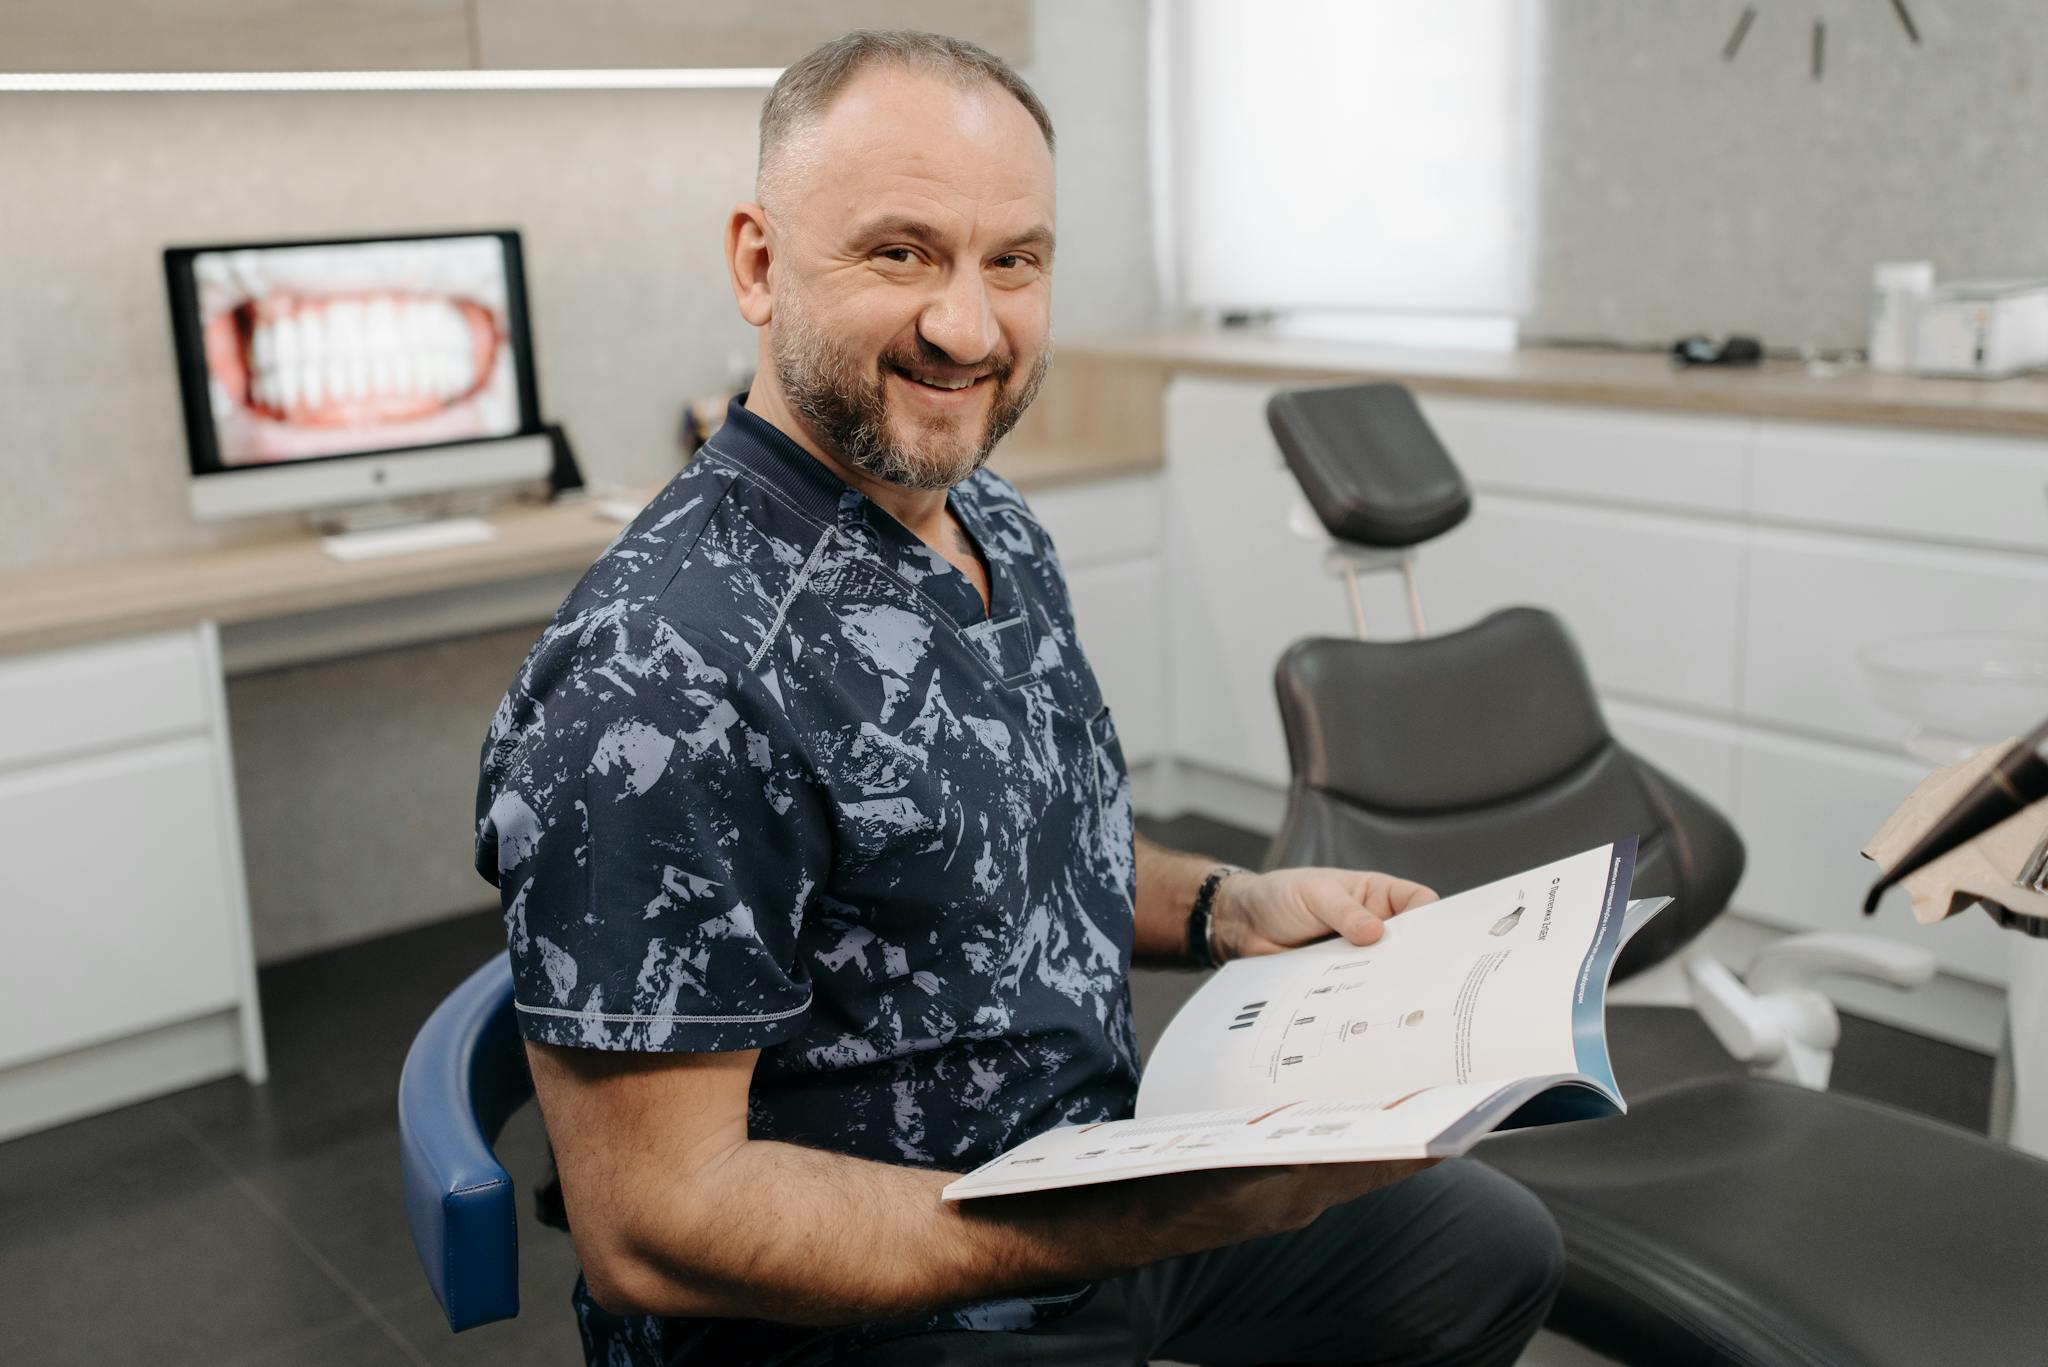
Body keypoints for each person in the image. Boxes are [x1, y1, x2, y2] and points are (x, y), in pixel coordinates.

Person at [474, 29, 1564, 1367]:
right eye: (900, 252)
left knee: (1482, 1252)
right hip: (865, 1317)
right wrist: (1140, 1220)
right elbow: (654, 1226)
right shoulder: (662, 678)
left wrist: (1231, 907)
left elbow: (1020, 849)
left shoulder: (986, 521)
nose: (968, 326)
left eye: (1015, 262)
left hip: (1097, 1186)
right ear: (758, 263)